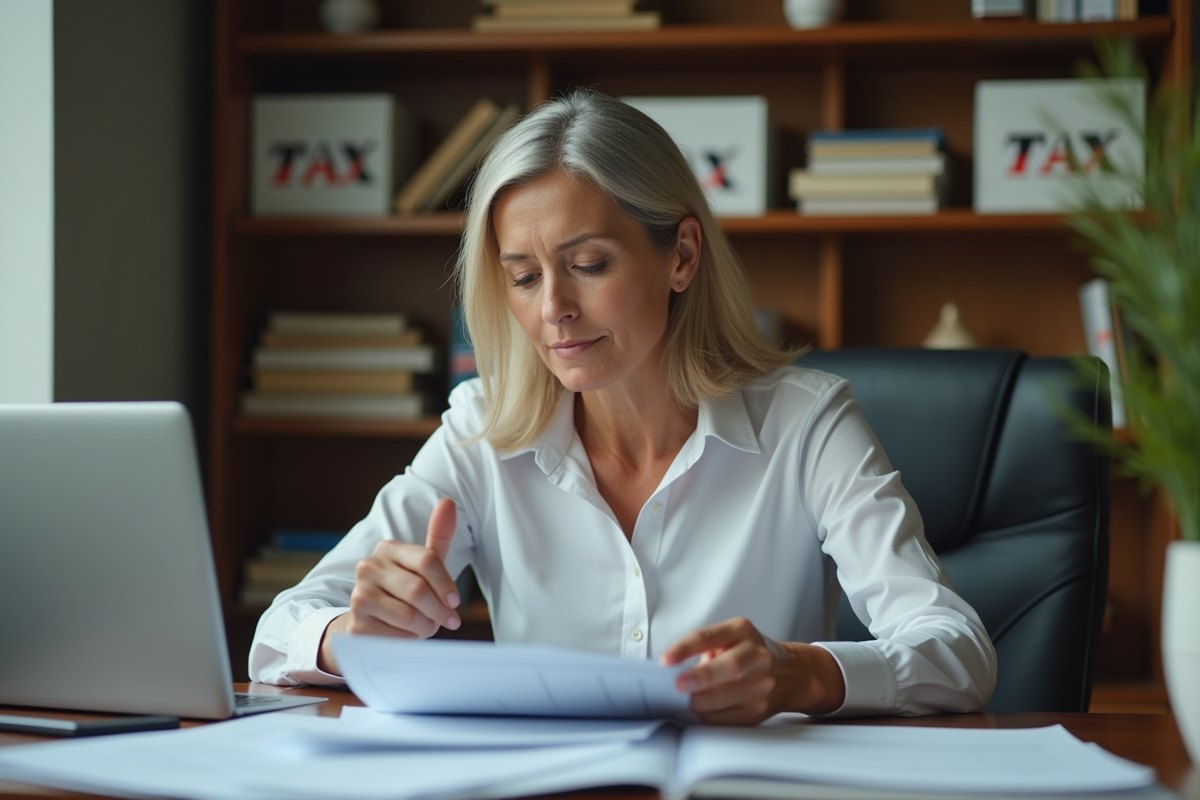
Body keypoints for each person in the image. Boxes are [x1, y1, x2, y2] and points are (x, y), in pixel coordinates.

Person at [249, 89, 996, 723]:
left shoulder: (805, 424)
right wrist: (351, 628)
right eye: (524, 277)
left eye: (588, 266)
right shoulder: (481, 431)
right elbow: (276, 631)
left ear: (682, 256)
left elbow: (958, 653)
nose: (554, 311)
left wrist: (802, 673)